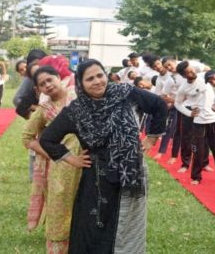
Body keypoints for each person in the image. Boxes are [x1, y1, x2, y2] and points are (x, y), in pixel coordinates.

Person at [38, 59, 167, 253]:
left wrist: (151, 139)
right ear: (81, 84)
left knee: (127, 229)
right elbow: (47, 139)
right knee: (93, 229)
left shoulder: (125, 94)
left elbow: (159, 106)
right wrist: (72, 159)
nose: (98, 81)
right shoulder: (77, 110)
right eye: (90, 79)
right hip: (97, 180)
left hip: (129, 175)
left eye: (100, 75)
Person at [23, 65, 80, 253]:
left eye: (50, 80)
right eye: (42, 84)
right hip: (59, 169)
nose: (47, 85)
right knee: (59, 212)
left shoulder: (78, 98)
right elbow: (27, 137)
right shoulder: (44, 109)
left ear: (59, 78)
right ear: (38, 90)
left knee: (83, 210)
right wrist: (53, 154)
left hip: (86, 164)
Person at [177, 62, 215, 185]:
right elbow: (177, 103)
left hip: (214, 119)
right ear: (184, 76)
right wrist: (189, 113)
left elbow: (209, 69)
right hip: (198, 121)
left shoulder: (204, 77)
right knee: (198, 150)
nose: (192, 72)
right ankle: (196, 177)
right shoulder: (183, 87)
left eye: (192, 69)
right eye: (188, 72)